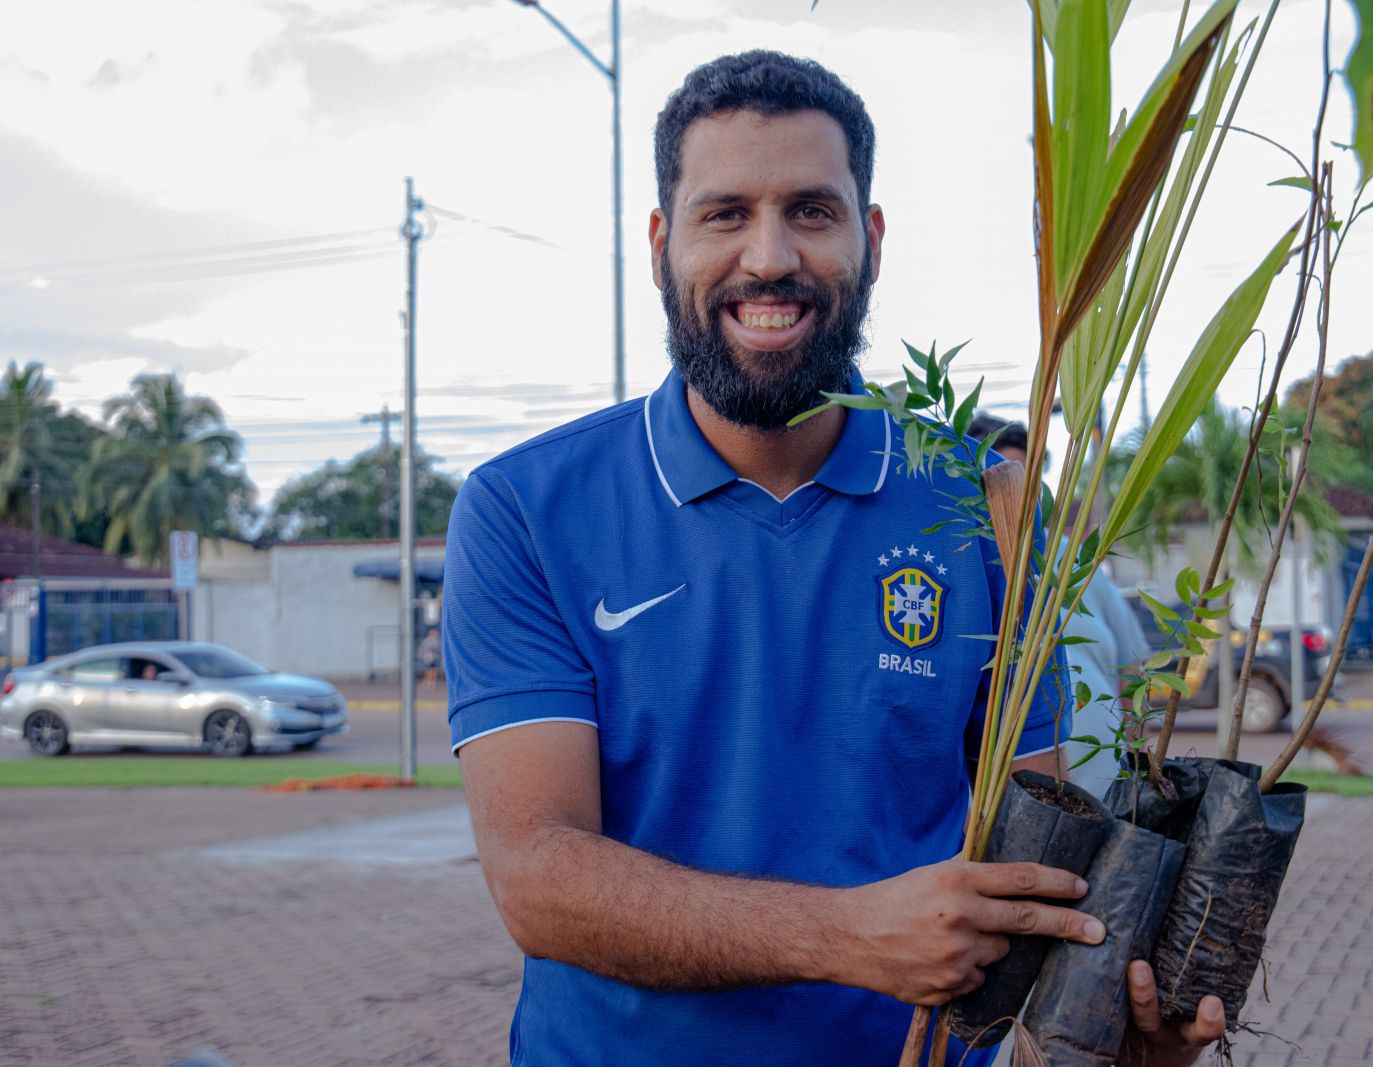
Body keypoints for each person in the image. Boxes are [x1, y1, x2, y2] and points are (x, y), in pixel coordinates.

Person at [444, 51, 1224, 1066]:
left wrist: (1130, 1035)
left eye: (811, 210)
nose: (769, 256)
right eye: (724, 213)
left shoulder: (983, 502)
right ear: (658, 243)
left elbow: (1025, 854)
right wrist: (849, 936)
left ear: (871, 237)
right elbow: (538, 875)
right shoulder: (526, 508)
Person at [967, 412, 1152, 798]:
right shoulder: (961, 565)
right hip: (1017, 809)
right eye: (998, 475)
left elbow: (1131, 669)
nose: (1015, 490)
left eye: (1023, 476)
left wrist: (1141, 773)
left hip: (1109, 794)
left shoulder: (1073, 562)